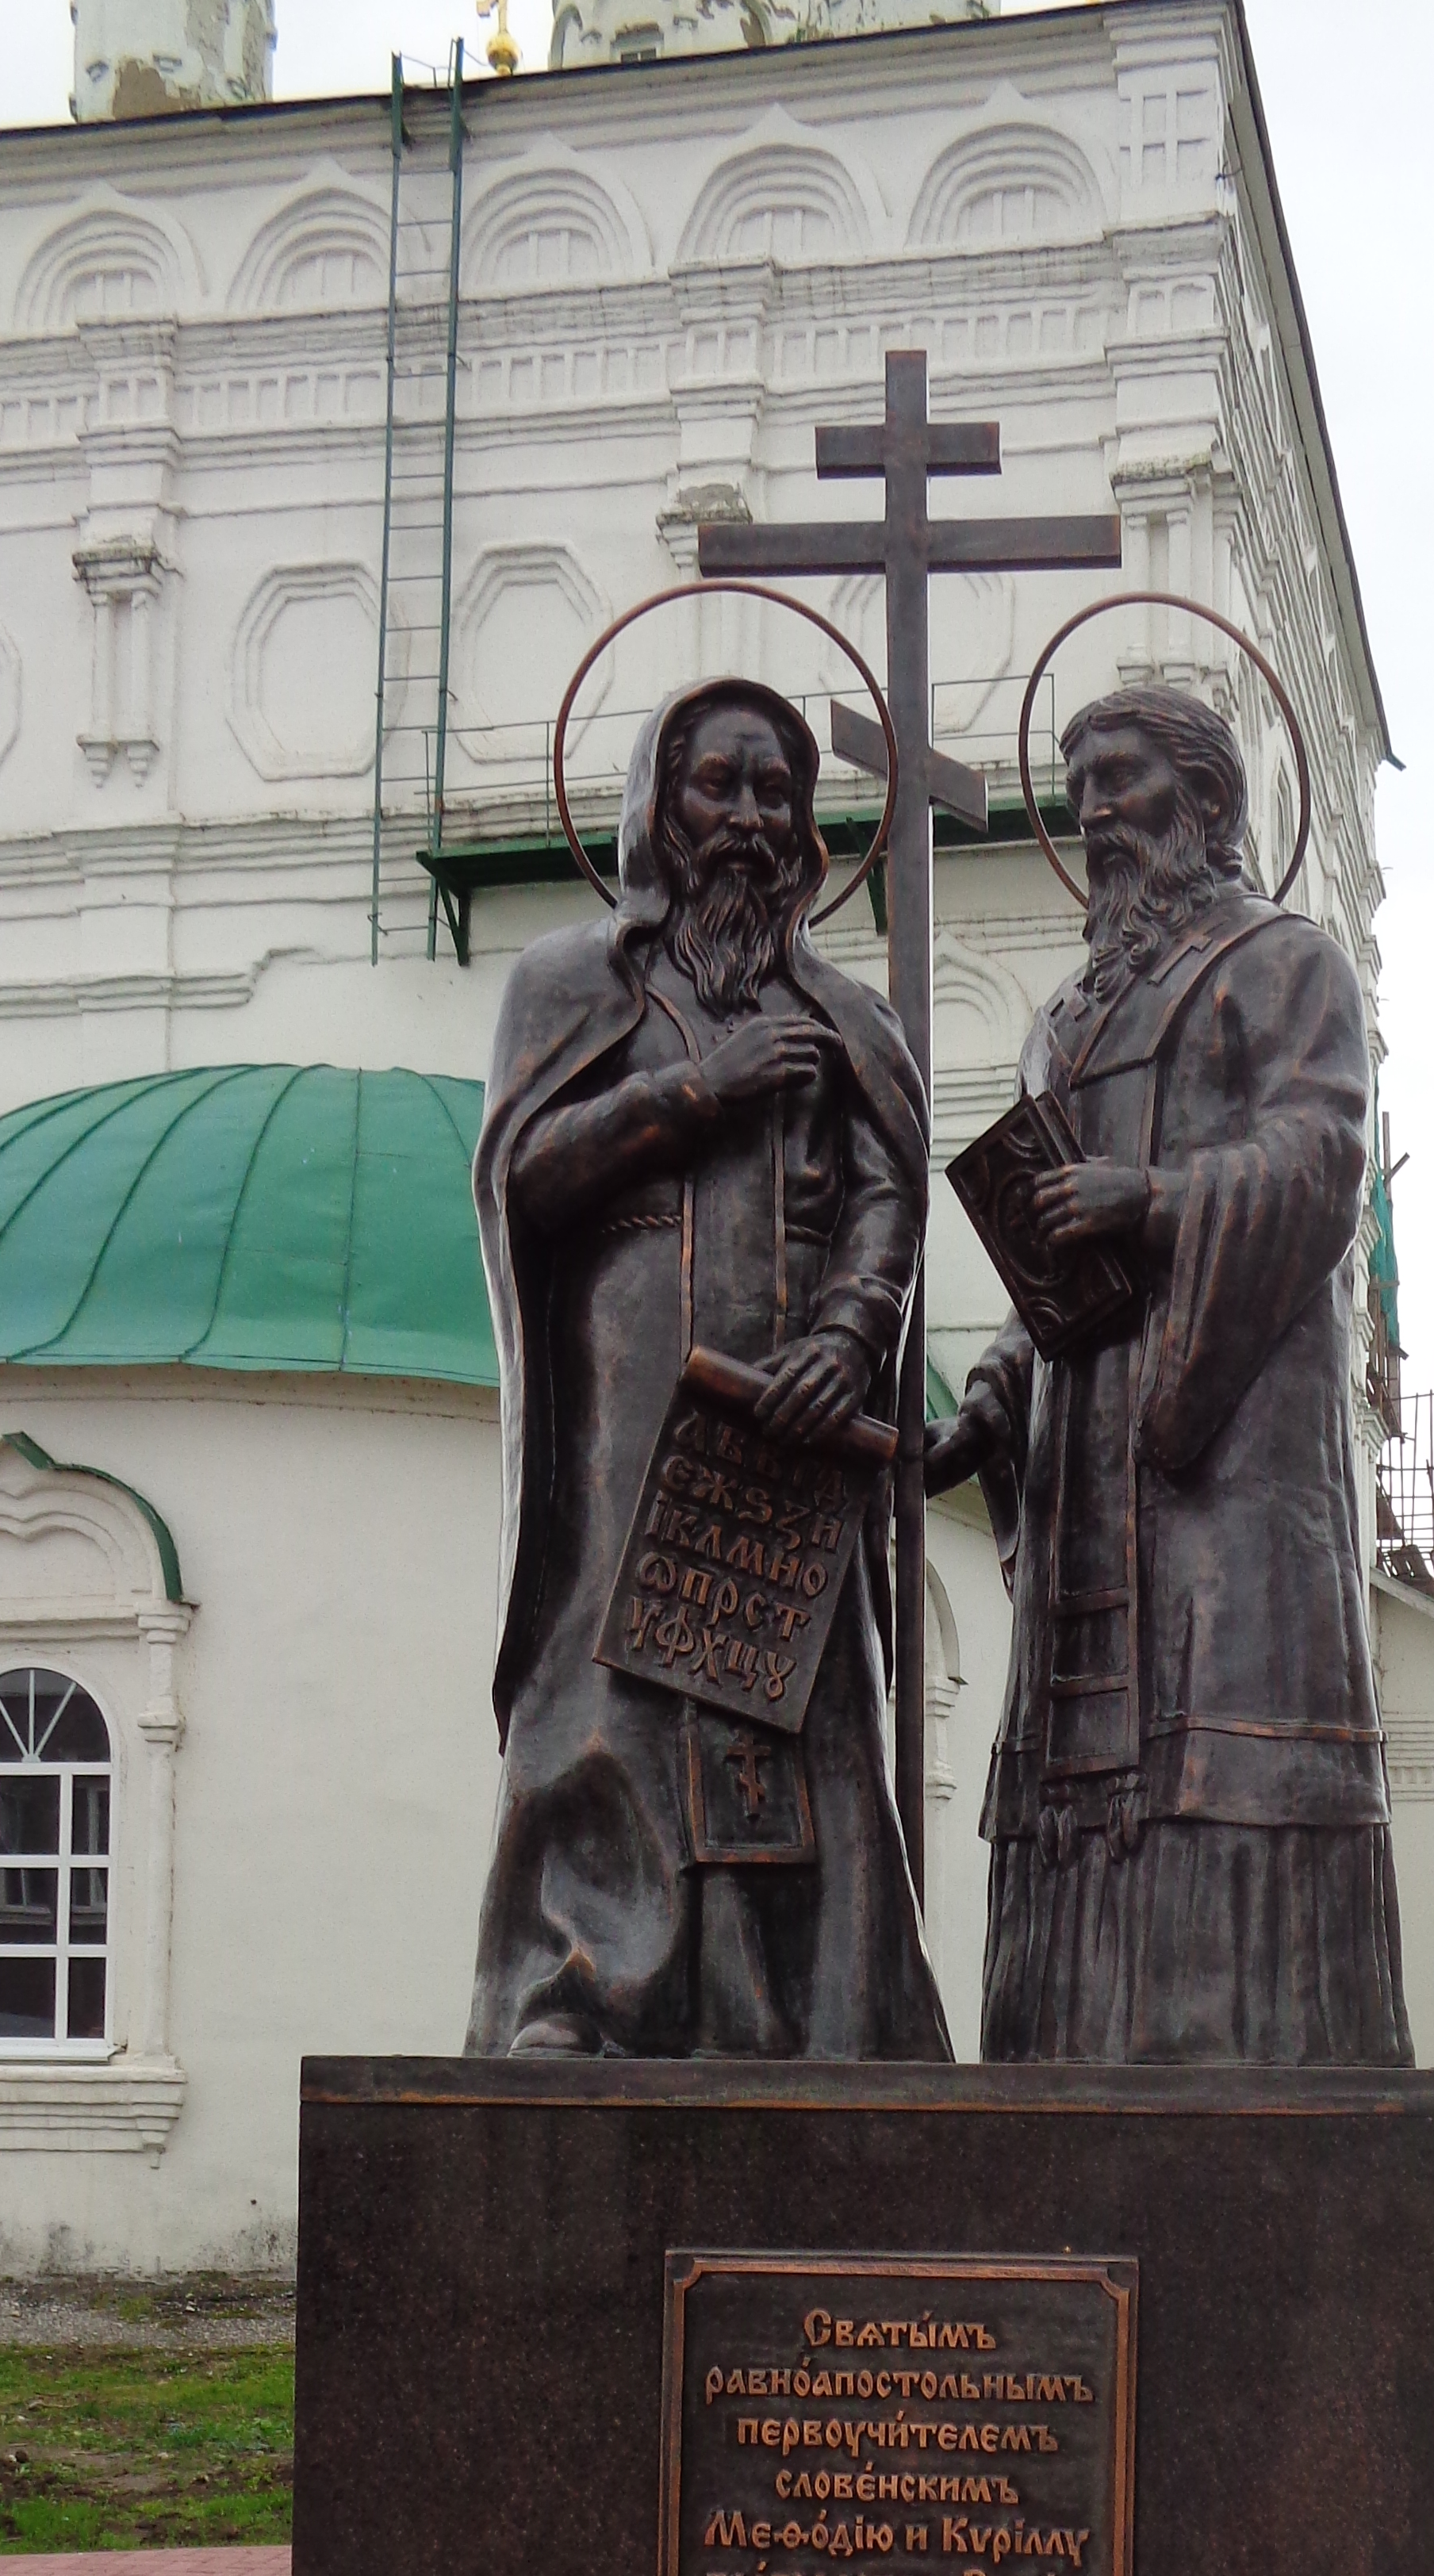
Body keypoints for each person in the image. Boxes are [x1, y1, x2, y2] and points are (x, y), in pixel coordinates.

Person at [464, 679, 950, 2062]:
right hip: (624, 1418)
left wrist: (851, 1339)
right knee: (608, 1703)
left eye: (775, 794)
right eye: (716, 786)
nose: (747, 819)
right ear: (654, 808)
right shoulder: (570, 984)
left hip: (795, 1420)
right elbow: (523, 1178)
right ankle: (579, 1995)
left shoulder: (850, 1018)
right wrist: (699, 1092)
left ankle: (814, 2018)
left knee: (807, 1720)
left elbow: (888, 1197)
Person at [925, 683, 1410, 2065]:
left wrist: (1153, 1197)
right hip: (1087, 1474)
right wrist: (991, 1397)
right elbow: (1051, 1267)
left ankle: (1257, 2071)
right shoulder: (1061, 1021)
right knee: (1085, 1780)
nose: (1094, 810)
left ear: (1206, 799)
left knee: (1226, 1756)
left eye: (1121, 776)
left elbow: (1320, 1161)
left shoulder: (1283, 963)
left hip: (1230, 1453)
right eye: (1077, 781)